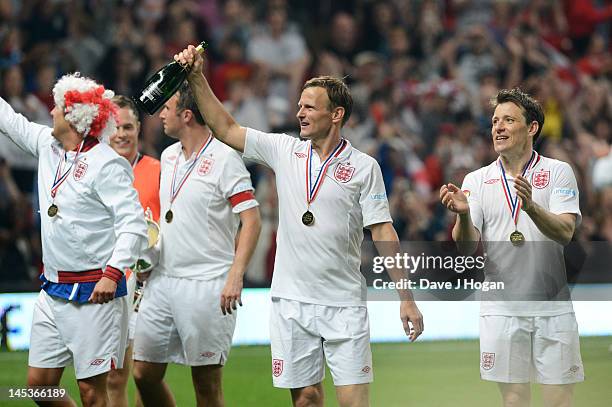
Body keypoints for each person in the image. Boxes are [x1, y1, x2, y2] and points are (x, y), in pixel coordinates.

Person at [176, 45, 424, 407]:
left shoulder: (363, 167)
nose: (300, 112)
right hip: (292, 302)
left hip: (344, 303)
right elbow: (226, 128)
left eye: (309, 106)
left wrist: (406, 298)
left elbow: (383, 232)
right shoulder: (284, 149)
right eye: (300, 105)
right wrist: (197, 77)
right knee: (306, 400)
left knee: (354, 403)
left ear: (336, 114)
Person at [0, 73, 148, 406]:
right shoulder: (47, 145)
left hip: (94, 292)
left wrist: (112, 274)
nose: (49, 112)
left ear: (73, 116)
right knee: (38, 387)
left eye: (56, 107)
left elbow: (134, 223)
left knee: (93, 392)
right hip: (53, 289)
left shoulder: (107, 164)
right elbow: (9, 121)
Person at [440, 88, 584, 407]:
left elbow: (565, 232)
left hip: (552, 307)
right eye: (494, 121)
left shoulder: (558, 172)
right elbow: (465, 248)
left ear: (531, 127)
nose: (498, 127)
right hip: (501, 309)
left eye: (508, 120)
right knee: (514, 401)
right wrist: (463, 217)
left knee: (559, 401)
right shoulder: (476, 181)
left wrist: (531, 207)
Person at [132, 82, 261, 407]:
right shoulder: (168, 155)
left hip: (207, 284)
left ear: (186, 115)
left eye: (167, 108)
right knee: (143, 373)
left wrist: (236, 273)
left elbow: (252, 220)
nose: (161, 114)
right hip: (162, 281)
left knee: (205, 385)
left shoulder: (225, 158)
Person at [107, 95, 161, 407]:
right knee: (114, 376)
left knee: (145, 376)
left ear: (139, 128)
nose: (121, 134)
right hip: (110, 282)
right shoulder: (95, 172)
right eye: (115, 127)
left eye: (128, 126)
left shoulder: (158, 169)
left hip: (149, 287)